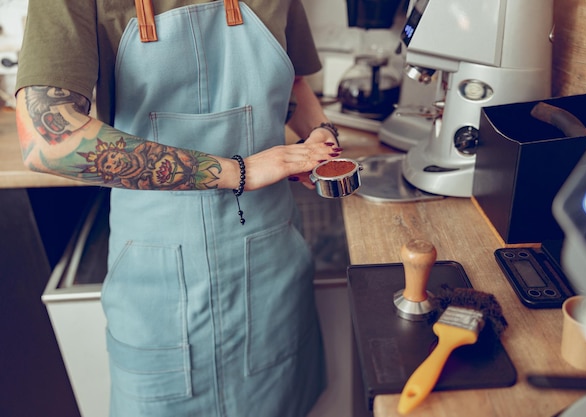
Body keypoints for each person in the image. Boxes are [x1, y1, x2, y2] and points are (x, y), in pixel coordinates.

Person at [15, 1, 342, 416]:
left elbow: (293, 79)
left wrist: (320, 133)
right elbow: (49, 141)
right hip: (157, 283)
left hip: (271, 269)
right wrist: (237, 171)